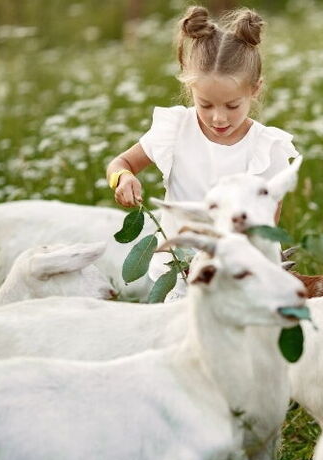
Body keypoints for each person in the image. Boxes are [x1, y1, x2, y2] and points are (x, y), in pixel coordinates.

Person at [104, 6, 298, 297]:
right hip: (175, 275)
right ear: (189, 85)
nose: (218, 118)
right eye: (205, 104)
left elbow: (266, 228)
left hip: (237, 276)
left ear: (255, 89)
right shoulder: (175, 129)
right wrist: (121, 179)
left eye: (232, 106)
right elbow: (121, 163)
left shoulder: (265, 149)